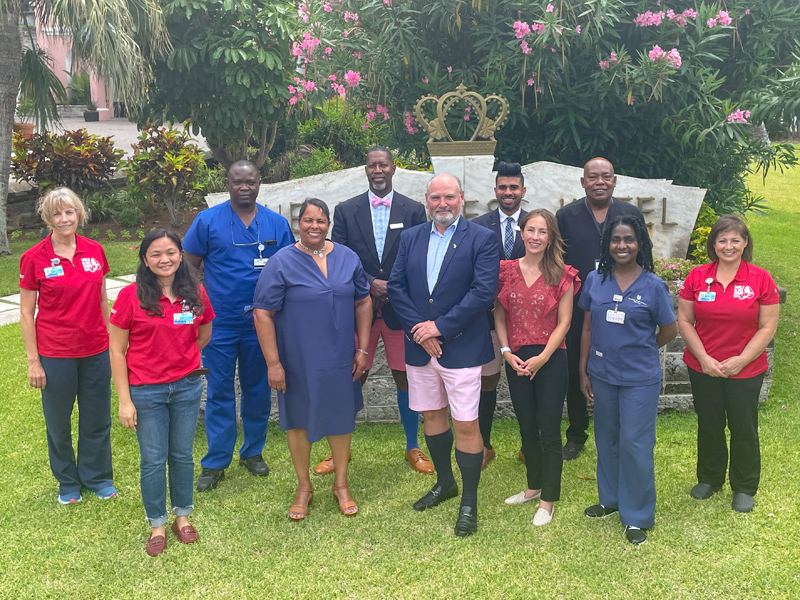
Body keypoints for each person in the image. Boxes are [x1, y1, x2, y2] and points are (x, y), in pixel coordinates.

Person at [388, 173, 499, 537]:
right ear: (427, 200)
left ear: (461, 198)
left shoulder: (481, 238)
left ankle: (469, 501)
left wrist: (438, 328)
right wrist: (420, 331)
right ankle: (445, 483)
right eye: (435, 198)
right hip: (421, 349)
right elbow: (396, 287)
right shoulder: (410, 237)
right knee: (432, 416)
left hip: (462, 347)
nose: (442, 204)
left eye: (449, 197)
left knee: (466, 423)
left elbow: (483, 292)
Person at [314, 146, 432, 476]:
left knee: (405, 377)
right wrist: (370, 284)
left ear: (393, 168)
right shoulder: (346, 210)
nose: (377, 170)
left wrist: (390, 287)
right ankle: (338, 449)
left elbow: (418, 258)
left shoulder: (413, 210)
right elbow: (337, 255)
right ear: (365, 170)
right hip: (357, 309)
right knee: (351, 377)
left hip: (398, 310)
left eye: (383, 165)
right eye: (371, 166)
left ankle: (413, 446)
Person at [253, 198, 372, 520]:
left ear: (328, 224)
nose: (314, 226)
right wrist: (273, 364)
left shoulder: (347, 257)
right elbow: (262, 313)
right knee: (298, 421)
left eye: (320, 220)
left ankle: (341, 484)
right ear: (298, 224)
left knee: (341, 418)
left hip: (340, 357)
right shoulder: (281, 262)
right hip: (298, 359)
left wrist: (362, 349)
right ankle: (304, 487)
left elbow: (363, 301)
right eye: (308, 220)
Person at [183, 160, 294, 491]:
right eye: (237, 182)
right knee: (219, 390)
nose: (244, 187)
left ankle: (252, 451)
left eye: (250, 182)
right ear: (228, 184)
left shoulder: (276, 223)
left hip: (262, 323)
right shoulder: (207, 221)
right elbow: (189, 263)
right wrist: (198, 299)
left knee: (257, 389)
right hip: (220, 322)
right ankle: (216, 461)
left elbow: (290, 267)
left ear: (260, 184)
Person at [110, 230, 215, 556]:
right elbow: (116, 350)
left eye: (170, 252)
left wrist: (181, 359)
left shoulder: (196, 292)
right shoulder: (130, 296)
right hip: (146, 391)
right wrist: (124, 401)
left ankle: (182, 517)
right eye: (155, 254)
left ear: (181, 255)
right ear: (145, 259)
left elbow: (204, 333)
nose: (164, 259)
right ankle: (157, 523)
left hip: (186, 387)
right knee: (154, 460)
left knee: (182, 455)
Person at [578, 215, 677, 545]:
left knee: (635, 443)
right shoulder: (595, 280)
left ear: (640, 244)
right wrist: (583, 370)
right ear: (607, 244)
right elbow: (587, 328)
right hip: (602, 374)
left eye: (629, 239)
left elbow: (669, 330)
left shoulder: (654, 286)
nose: (622, 245)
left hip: (639, 378)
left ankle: (636, 515)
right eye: (616, 239)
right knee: (607, 437)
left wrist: (642, 347)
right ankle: (610, 500)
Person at [19, 187, 115, 505]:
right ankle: (68, 482)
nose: (64, 219)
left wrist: (112, 342)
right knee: (58, 422)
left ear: (79, 214)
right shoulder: (34, 258)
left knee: (97, 418)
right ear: (47, 218)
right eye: (57, 213)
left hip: (96, 350)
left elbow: (102, 299)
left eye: (69, 212)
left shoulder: (95, 250)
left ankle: (98, 478)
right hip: (55, 353)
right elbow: (26, 312)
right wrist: (33, 361)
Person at [677, 215, 779, 513]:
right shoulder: (698, 276)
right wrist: (704, 358)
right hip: (703, 366)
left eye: (735, 240)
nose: (729, 246)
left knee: (742, 426)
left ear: (745, 243)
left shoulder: (761, 278)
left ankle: (744, 486)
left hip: (746, 369)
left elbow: (768, 326)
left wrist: (741, 360)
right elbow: (685, 320)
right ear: (713, 244)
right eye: (722, 240)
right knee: (709, 423)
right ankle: (710, 478)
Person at [494, 209, 579, 526]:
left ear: (551, 237)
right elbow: (499, 314)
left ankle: (548, 500)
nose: (535, 237)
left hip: (551, 359)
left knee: (549, 432)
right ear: (521, 232)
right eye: (530, 230)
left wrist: (543, 357)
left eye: (542, 232)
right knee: (527, 428)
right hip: (516, 359)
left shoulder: (563, 274)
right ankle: (533, 487)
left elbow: (565, 322)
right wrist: (506, 352)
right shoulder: (505, 271)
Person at [556, 157, 645, 461]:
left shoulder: (630, 214)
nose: (599, 182)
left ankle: (620, 432)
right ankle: (576, 434)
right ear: (583, 182)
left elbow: (642, 257)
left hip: (621, 303)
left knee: (619, 364)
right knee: (574, 369)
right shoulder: (566, 216)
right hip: (577, 305)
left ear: (614, 180)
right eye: (593, 177)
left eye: (606, 176)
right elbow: (558, 262)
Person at [472, 161, 528, 469]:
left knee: (527, 380)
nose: (508, 192)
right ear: (495, 191)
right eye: (503, 187)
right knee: (487, 381)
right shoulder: (478, 226)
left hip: (529, 321)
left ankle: (528, 444)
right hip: (487, 321)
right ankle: (483, 445)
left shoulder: (535, 224)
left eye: (514, 187)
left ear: (523, 190)